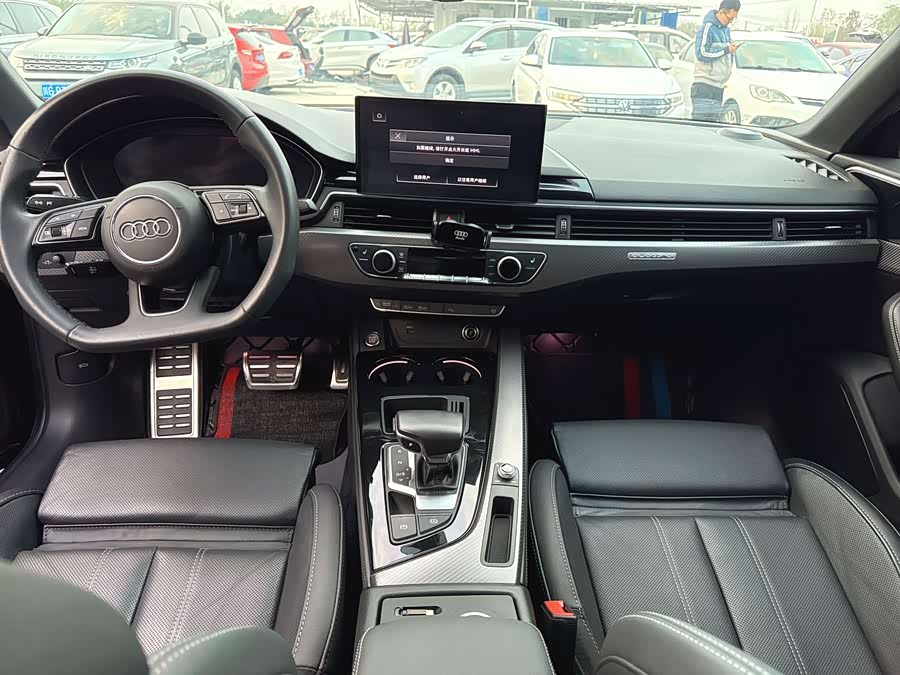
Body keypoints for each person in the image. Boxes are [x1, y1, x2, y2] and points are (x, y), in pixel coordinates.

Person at [691, 0, 741, 122]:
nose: (730, 22)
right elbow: (702, 53)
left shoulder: (726, 31)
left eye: (733, 20)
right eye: (730, 19)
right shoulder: (707, 28)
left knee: (713, 126)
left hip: (718, 86)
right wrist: (726, 50)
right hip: (704, 86)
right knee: (701, 125)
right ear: (722, 12)